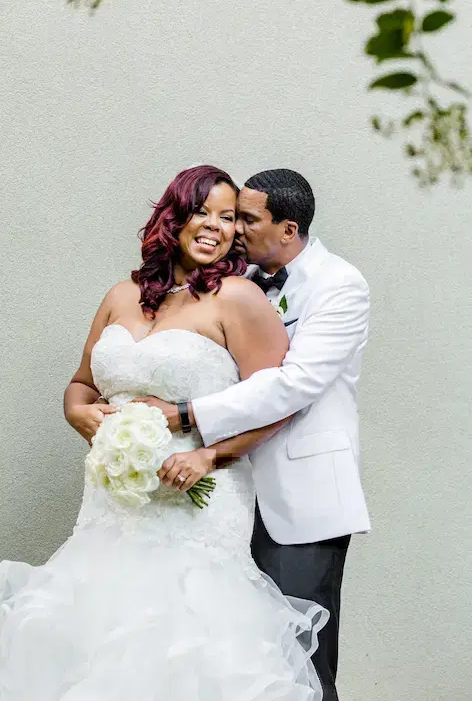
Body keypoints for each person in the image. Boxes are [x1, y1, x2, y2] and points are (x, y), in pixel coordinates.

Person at [0, 165, 327, 700]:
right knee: (98, 637)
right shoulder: (121, 294)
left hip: (195, 498)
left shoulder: (239, 299)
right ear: (173, 218)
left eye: (228, 218)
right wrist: (76, 411)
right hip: (111, 504)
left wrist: (210, 456)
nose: (215, 227)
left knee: (184, 645)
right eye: (202, 211)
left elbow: (278, 404)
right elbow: (83, 383)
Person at [144, 169, 371, 701]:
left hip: (300, 497)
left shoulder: (340, 285)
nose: (235, 229)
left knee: (301, 664)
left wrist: (183, 414)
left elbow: (295, 385)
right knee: (230, 657)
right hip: (223, 498)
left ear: (288, 230)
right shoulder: (234, 276)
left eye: (247, 218)